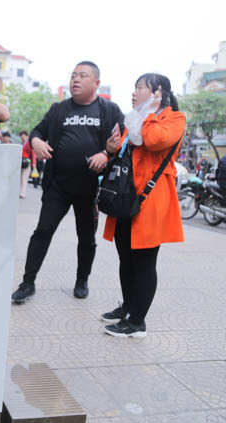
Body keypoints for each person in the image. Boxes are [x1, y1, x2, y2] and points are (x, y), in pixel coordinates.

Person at [11, 61, 124, 303]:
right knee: (42, 231)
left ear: (96, 83)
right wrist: (37, 142)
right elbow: (37, 132)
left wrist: (106, 154)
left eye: (82, 76)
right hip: (58, 186)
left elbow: (123, 143)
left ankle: (82, 279)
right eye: (73, 75)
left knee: (86, 238)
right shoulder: (59, 109)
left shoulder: (109, 111)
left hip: (90, 188)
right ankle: (27, 282)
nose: (75, 79)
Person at [101, 73, 185, 338]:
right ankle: (128, 308)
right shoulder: (133, 120)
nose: (134, 93)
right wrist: (111, 147)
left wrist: (148, 112)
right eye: (134, 87)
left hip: (151, 199)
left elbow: (154, 140)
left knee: (144, 262)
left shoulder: (174, 118)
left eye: (140, 88)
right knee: (126, 258)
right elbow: (126, 152)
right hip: (126, 196)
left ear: (158, 93)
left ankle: (137, 322)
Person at [19, 130, 34, 198]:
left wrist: (34, 163)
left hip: (27, 163)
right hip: (21, 162)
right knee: (20, 178)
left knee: (24, 178)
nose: (21, 137)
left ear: (25, 135)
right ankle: (20, 192)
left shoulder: (29, 142)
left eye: (22, 136)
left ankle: (22, 193)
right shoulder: (22, 143)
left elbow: (33, 153)